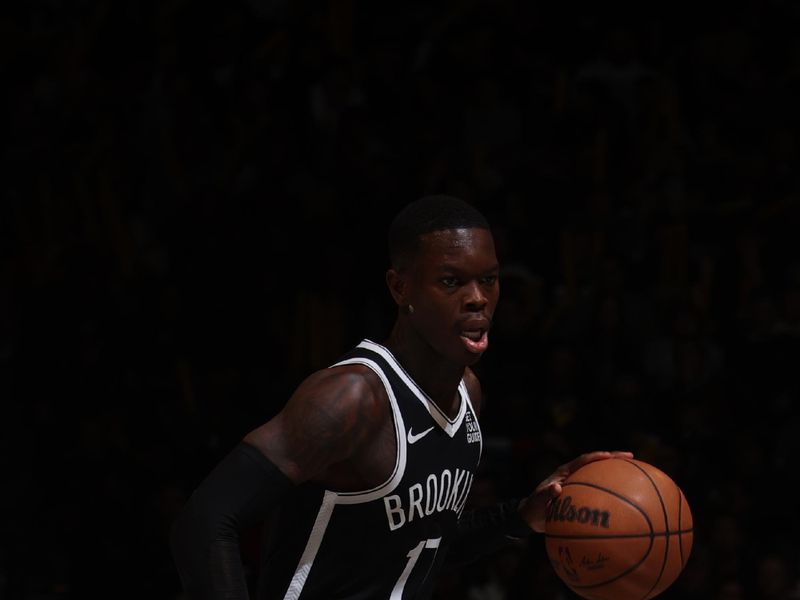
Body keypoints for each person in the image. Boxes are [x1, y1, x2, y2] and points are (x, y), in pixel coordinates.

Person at [169, 194, 632, 599]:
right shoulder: (351, 399)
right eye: (452, 282)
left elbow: (426, 545)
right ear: (400, 287)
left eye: (488, 280)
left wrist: (521, 516)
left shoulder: (468, 394)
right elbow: (206, 520)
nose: (478, 299)